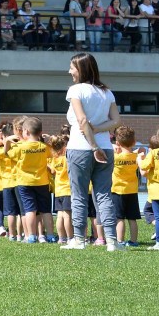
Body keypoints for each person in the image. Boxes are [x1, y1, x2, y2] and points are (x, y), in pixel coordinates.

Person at [62, 52, 120, 251]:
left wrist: (93, 146)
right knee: (104, 195)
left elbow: (82, 120)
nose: (69, 71)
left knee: (78, 195)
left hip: (80, 148)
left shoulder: (76, 90)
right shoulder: (107, 92)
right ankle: (112, 241)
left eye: (72, 67)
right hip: (106, 148)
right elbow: (116, 121)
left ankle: (79, 239)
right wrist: (98, 131)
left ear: (81, 69)